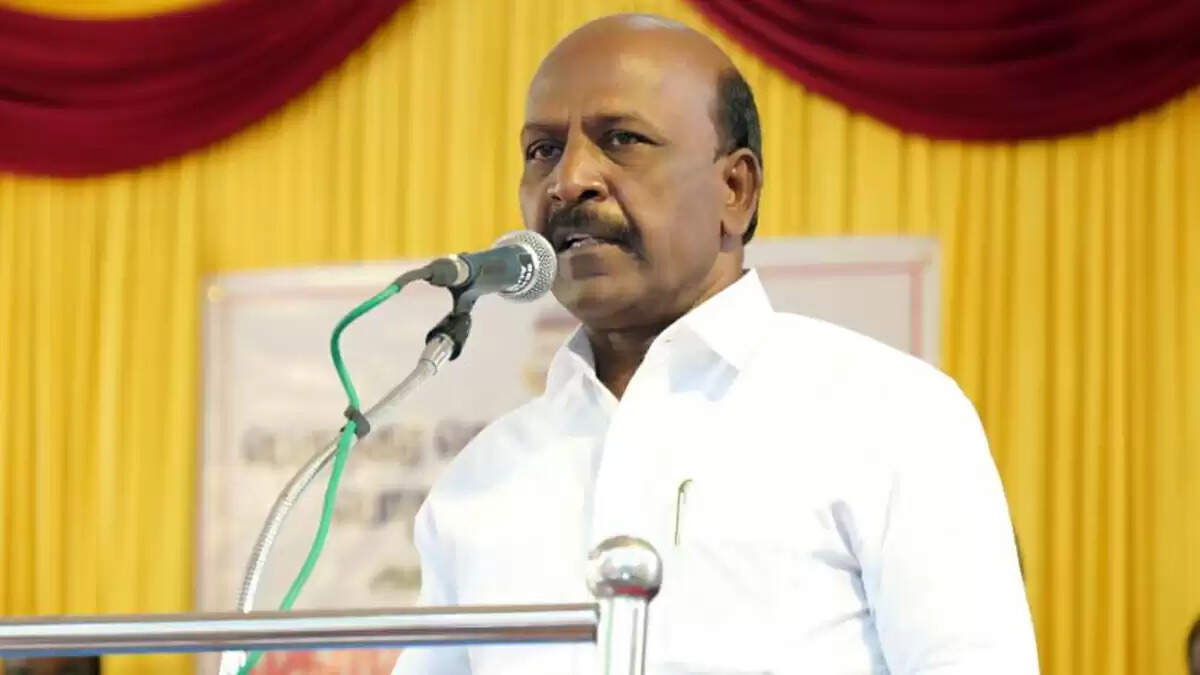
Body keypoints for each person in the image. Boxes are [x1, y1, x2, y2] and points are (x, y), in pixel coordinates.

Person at [393, 13, 1038, 675]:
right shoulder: (482, 478)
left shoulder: (891, 415)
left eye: (622, 139)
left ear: (736, 189)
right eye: (542, 150)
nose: (570, 179)